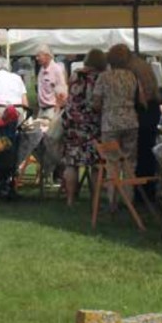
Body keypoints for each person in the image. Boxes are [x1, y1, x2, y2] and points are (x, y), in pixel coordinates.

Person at [92, 43, 139, 207]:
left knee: (111, 162)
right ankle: (129, 199)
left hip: (110, 123)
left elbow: (96, 103)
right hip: (131, 121)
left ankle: (112, 200)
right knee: (129, 161)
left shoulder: (104, 77)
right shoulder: (132, 76)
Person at [62, 48, 106, 205]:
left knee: (71, 162)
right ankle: (95, 200)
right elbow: (97, 101)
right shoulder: (100, 77)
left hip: (72, 121)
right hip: (92, 124)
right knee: (96, 164)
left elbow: (70, 94)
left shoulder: (75, 74)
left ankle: (70, 199)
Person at [130, 53, 162, 197]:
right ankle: (148, 191)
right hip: (152, 110)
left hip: (143, 112)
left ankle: (140, 192)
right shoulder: (145, 67)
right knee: (148, 152)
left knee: (141, 153)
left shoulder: (131, 69)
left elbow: (140, 95)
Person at [35, 45, 68, 119]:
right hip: (42, 109)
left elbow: (62, 92)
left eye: (39, 56)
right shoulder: (42, 69)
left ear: (47, 56)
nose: (37, 58)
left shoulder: (57, 70)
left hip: (52, 109)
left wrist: (58, 108)